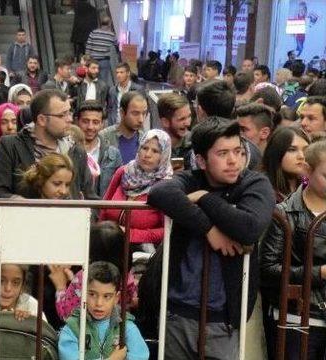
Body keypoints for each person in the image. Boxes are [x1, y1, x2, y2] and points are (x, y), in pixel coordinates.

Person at [147, 119, 275, 359]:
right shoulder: (190, 180)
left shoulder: (253, 183)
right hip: (177, 311)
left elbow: (249, 227)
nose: (233, 161)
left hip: (222, 318)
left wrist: (205, 198)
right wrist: (208, 229)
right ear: (202, 160)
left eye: (238, 151)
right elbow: (159, 193)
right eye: (223, 153)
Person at [261, 139, 326, 359]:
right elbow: (269, 269)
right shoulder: (285, 212)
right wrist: (320, 273)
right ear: (308, 170)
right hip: (296, 316)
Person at [0, 89, 97, 200]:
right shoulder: (10, 146)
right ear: (42, 120)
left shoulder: (77, 152)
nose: (69, 119)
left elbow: (90, 198)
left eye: (69, 113)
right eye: (62, 115)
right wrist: (16, 201)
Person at [58, 261, 149, 360]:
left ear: (116, 298)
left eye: (107, 296)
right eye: (92, 294)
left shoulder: (126, 326)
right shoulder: (73, 327)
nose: (99, 303)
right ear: (83, 294)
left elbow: (141, 356)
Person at [100, 129, 171, 250]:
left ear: (163, 156)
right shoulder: (124, 172)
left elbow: (167, 230)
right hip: (107, 244)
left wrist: (130, 234)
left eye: (155, 151)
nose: (147, 154)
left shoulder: (165, 186)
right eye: (144, 148)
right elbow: (103, 209)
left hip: (142, 251)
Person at [75, 100, 122, 196]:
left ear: (102, 124)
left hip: (102, 208)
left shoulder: (113, 154)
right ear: (77, 121)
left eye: (95, 122)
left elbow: (118, 188)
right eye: (85, 121)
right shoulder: (68, 150)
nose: (90, 127)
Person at [262, 127, 310, 203]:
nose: (301, 156)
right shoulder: (262, 189)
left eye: (306, 150)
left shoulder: (312, 186)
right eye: (292, 150)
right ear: (276, 153)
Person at [100, 91, 148, 164]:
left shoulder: (146, 140)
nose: (141, 119)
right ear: (122, 112)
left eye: (144, 113)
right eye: (135, 113)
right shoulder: (104, 137)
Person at [158, 93, 192, 164]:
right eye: (182, 119)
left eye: (189, 116)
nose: (188, 123)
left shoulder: (195, 144)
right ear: (165, 122)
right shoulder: (151, 147)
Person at [85, 17, 118, 87]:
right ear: (109, 24)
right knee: (103, 81)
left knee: (92, 79)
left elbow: (88, 46)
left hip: (93, 61)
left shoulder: (93, 32)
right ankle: (103, 95)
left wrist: (87, 59)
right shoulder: (111, 35)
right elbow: (116, 46)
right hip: (104, 61)